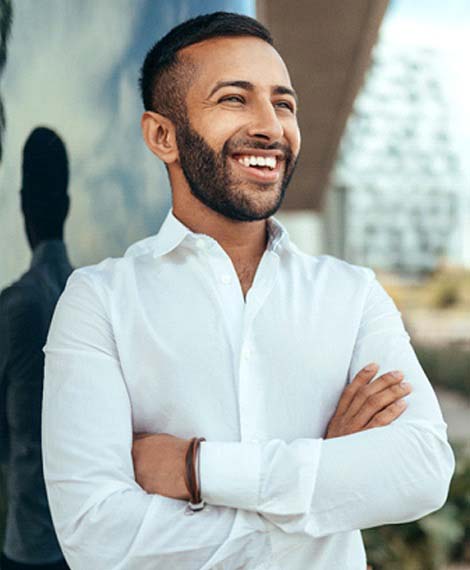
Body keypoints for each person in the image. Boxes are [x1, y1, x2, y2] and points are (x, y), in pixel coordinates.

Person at [42, 12, 454, 570]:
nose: (270, 126)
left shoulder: (352, 294)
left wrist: (197, 469)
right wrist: (324, 481)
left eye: (283, 103)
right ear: (163, 135)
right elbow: (96, 537)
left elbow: (423, 470)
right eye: (235, 99)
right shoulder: (98, 302)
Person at [0, 128, 72, 569]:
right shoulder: (93, 295)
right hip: (90, 543)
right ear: (67, 206)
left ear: (23, 204)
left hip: (31, 546)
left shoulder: (16, 306)